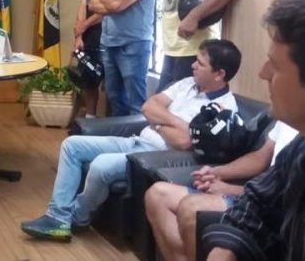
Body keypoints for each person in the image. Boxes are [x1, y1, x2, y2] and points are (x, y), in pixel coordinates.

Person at [20, 39, 241, 242]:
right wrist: (177, 124)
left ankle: (78, 216)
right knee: (72, 145)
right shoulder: (187, 83)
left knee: (101, 165)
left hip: (155, 156)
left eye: (200, 63)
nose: (193, 65)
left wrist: (160, 121)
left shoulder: (224, 110)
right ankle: (58, 216)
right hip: (136, 140)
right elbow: (148, 107)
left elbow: (184, 142)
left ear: (219, 74)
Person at [203, 0, 305, 261]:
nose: (263, 73)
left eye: (276, 66)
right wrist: (226, 249)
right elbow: (257, 200)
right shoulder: (298, 150)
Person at [145, 120, 298, 261]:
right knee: (157, 195)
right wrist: (217, 172)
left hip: (269, 208)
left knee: (191, 207)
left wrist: (230, 189)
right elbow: (260, 157)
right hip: (255, 193)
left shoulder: (299, 149)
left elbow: (278, 197)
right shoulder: (287, 121)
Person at [88, 0, 156, 116]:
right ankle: (120, 134)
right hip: (109, 44)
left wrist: (108, 1)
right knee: (114, 97)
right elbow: (92, 3)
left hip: (133, 45)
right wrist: (113, 2)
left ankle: (137, 135)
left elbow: (117, 5)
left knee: (135, 101)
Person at [73, 0, 112, 118]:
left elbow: (108, 9)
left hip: (106, 35)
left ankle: (112, 123)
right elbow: (83, 5)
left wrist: (85, 25)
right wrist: (79, 35)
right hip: (87, 36)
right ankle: (90, 119)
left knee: (110, 82)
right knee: (88, 80)